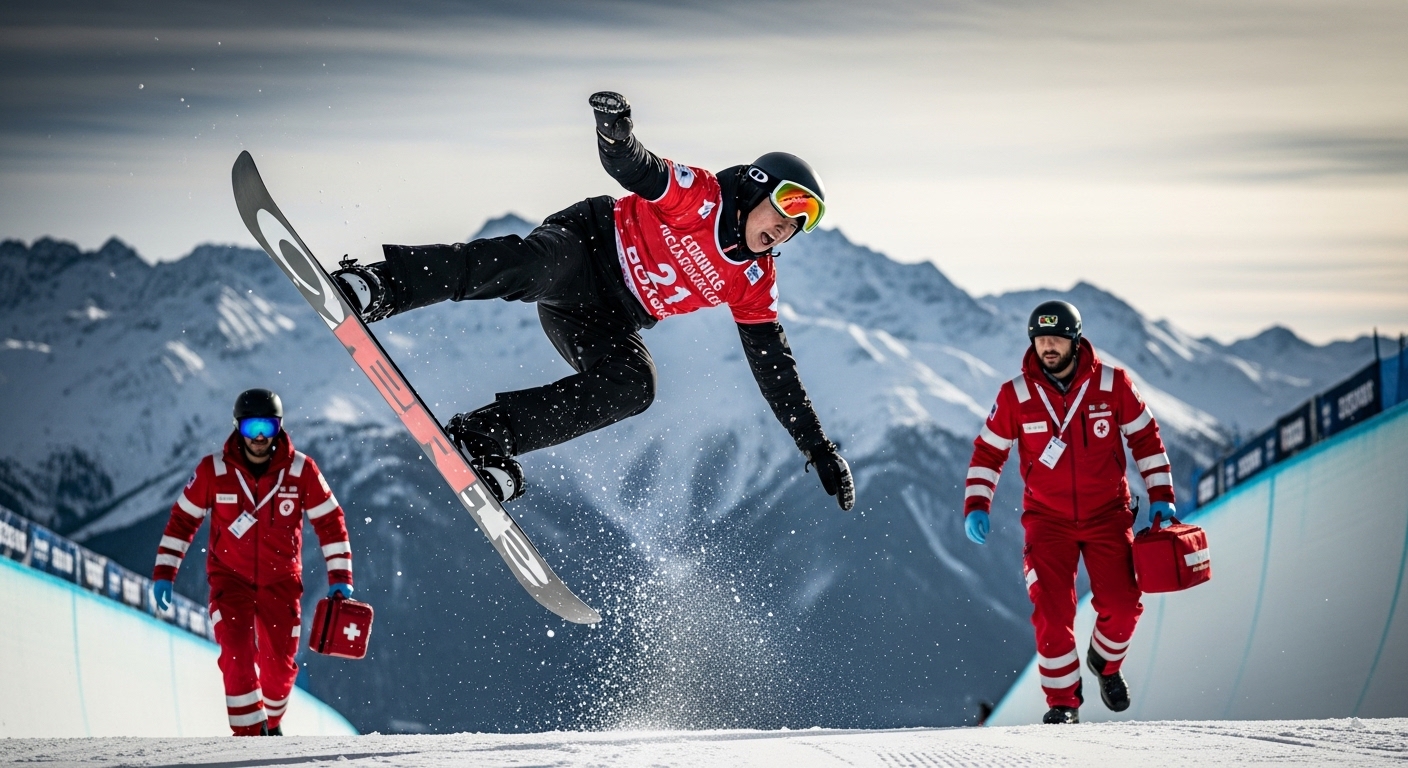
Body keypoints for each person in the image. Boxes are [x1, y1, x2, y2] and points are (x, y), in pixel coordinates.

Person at [330, 91, 854, 511]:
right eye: (788, 204)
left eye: (804, 221)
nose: (789, 224)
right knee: (531, 267)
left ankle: (484, 436)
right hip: (587, 245)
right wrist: (616, 136)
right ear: (754, 188)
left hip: (607, 316)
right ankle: (380, 286)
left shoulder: (754, 282)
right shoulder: (703, 198)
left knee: (635, 386)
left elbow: (775, 369)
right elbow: (638, 170)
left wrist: (817, 447)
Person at [962, 301, 1177, 724]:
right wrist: (976, 503)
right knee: (1052, 612)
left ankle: (1105, 662)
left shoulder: (1112, 384)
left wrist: (1161, 494)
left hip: (1108, 516)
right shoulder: (1016, 394)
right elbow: (988, 451)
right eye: (1041, 340)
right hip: (1046, 522)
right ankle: (1063, 703)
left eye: (1056, 340)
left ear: (1075, 341)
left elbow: (1146, 440)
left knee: (1124, 602)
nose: (1048, 348)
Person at [151, 389, 354, 736]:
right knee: (236, 654)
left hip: (282, 584)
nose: (259, 438)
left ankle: (271, 725)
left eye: (267, 427)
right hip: (230, 580)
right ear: (237, 428)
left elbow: (330, 520)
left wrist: (340, 575)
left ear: (279, 428)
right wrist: (165, 572)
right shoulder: (213, 471)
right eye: (251, 428)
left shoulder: (300, 470)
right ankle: (250, 742)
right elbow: (183, 519)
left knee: (278, 671)